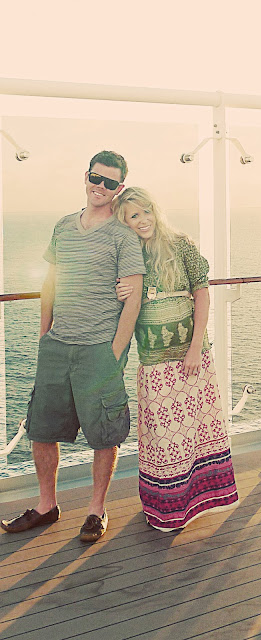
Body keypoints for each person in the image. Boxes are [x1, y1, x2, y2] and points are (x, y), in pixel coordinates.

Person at [1, 151, 145, 543]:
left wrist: (115, 352)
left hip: (99, 349)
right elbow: (50, 282)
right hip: (57, 345)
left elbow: (133, 296)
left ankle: (96, 510)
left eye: (110, 183)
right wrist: (43, 333)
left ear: (119, 188)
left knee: (104, 433)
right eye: (96, 178)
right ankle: (46, 506)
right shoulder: (64, 226)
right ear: (86, 177)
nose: (101, 187)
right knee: (41, 428)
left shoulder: (123, 235)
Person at [113, 187, 238, 531]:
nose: (143, 220)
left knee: (197, 430)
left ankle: (203, 503)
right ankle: (168, 511)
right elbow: (120, 303)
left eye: (146, 212)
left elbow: (202, 295)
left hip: (192, 357)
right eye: (133, 215)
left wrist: (196, 347)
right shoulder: (125, 256)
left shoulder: (181, 245)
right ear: (124, 222)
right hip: (154, 359)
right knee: (164, 437)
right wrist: (118, 291)